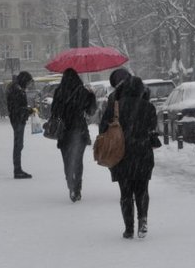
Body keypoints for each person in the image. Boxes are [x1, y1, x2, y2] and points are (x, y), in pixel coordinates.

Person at [99, 76, 157, 239]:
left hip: (121, 154)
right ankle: (143, 219)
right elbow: (152, 129)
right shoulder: (148, 107)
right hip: (142, 153)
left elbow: (102, 129)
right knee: (142, 190)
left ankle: (129, 228)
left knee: (125, 193)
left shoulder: (115, 107)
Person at [50, 68, 97, 202]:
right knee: (77, 161)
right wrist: (92, 96)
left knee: (67, 160)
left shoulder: (59, 91)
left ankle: (70, 184)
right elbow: (91, 111)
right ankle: (77, 188)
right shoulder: (82, 92)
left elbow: (53, 111)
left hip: (63, 131)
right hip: (78, 130)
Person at [6, 71, 34, 179]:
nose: (28, 85)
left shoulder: (15, 88)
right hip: (18, 120)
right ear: (24, 80)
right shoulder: (17, 90)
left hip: (17, 119)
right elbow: (17, 108)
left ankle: (18, 169)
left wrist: (26, 110)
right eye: (28, 82)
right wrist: (28, 110)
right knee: (18, 145)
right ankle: (17, 170)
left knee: (19, 145)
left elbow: (16, 107)